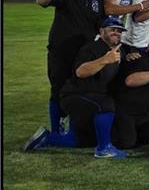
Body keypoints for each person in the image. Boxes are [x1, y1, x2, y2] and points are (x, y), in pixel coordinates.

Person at [24, 17, 127, 158]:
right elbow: (81, 71)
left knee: (79, 141)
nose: (116, 33)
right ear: (102, 31)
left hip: (90, 100)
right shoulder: (91, 48)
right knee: (106, 104)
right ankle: (104, 149)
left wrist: (133, 54)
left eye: (119, 31)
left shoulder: (120, 49)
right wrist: (105, 60)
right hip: (75, 96)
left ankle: (47, 138)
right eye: (112, 30)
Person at [35, 0, 105, 137]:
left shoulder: (98, 0)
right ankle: (57, 130)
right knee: (58, 88)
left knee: (79, 89)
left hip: (84, 55)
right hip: (62, 51)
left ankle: (75, 127)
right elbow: (40, 1)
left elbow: (100, 27)